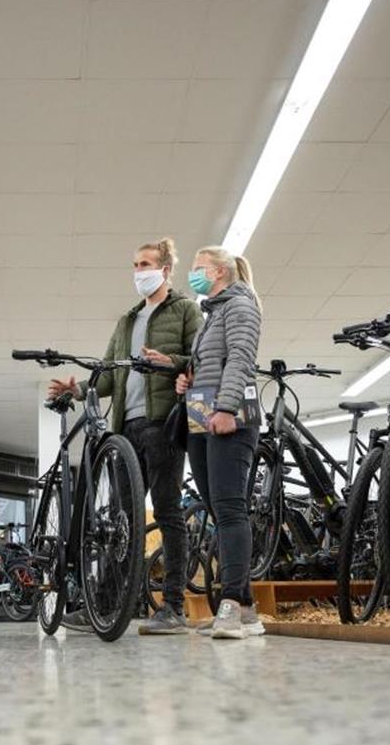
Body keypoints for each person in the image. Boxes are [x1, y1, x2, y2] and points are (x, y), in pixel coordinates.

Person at [47, 238, 202, 635]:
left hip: (163, 423)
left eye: (146, 264)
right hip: (126, 428)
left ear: (166, 270)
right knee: (119, 520)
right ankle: (108, 604)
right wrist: (76, 389)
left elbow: (199, 359)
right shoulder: (126, 321)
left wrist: (173, 363)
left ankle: (173, 607)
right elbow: (110, 375)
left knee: (168, 513)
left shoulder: (184, 309)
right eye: (135, 264)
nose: (139, 272)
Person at [176, 246, 264, 639]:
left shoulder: (240, 305)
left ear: (218, 272)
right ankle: (246, 610)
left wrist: (226, 407)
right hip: (203, 415)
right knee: (217, 508)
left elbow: (242, 358)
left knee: (230, 510)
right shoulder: (212, 314)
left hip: (230, 416)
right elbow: (213, 362)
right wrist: (188, 380)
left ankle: (229, 602)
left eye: (197, 269)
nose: (192, 275)